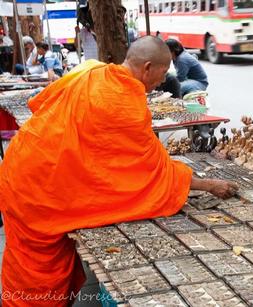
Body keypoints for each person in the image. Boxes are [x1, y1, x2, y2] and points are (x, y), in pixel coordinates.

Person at [0, 36, 237, 306]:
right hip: (38, 188)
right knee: (38, 276)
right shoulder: (125, 104)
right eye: (162, 73)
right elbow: (153, 171)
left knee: (26, 260)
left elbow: (41, 102)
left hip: (21, 164)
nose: (163, 80)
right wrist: (209, 186)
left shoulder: (91, 69)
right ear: (147, 67)